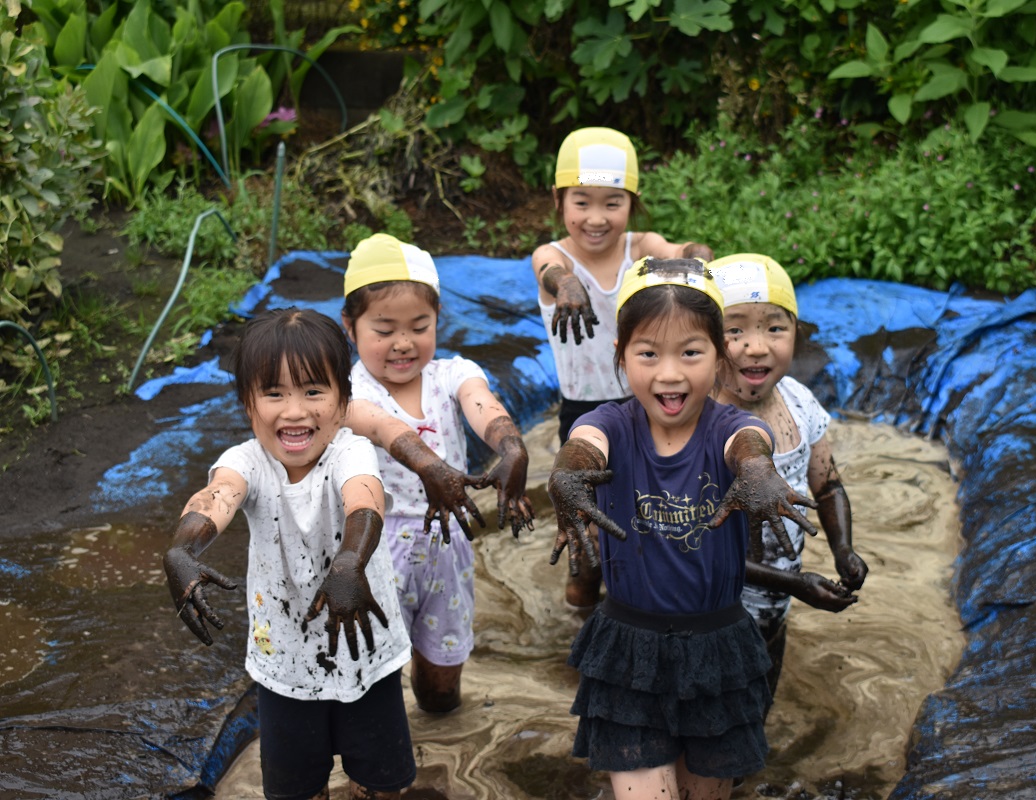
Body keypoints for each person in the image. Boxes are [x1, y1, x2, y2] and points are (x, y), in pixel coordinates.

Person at [546, 256, 816, 799]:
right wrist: (568, 476)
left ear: (719, 360)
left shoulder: (732, 426)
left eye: (691, 353)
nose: (669, 373)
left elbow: (750, 447)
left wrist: (759, 474)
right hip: (629, 649)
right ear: (622, 358)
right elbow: (582, 447)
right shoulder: (610, 424)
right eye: (648, 354)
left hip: (718, 647)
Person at [162, 308, 415, 800]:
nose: (295, 411)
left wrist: (349, 562)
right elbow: (218, 496)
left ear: (343, 402)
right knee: (298, 790)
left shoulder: (349, 450)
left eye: (313, 391)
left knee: (381, 784)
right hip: (285, 664)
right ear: (247, 404)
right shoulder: (247, 461)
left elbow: (364, 498)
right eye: (274, 393)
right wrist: (181, 549)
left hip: (366, 650)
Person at [341, 233, 535, 714]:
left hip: (448, 547)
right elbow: (379, 427)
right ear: (351, 327)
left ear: (438, 320)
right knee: (371, 677)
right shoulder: (346, 390)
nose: (403, 343)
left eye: (419, 326)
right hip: (374, 551)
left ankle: (439, 724)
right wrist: (428, 464)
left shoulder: (452, 373)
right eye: (383, 330)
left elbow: (482, 404)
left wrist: (510, 445)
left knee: (442, 679)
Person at [531, 126, 715, 608]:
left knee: (651, 514)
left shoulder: (640, 248)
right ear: (558, 200)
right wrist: (567, 286)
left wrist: (696, 258)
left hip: (648, 405)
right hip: (584, 413)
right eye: (582, 202)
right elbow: (548, 270)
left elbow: (680, 252)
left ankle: (648, 599)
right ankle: (583, 606)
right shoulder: (555, 257)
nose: (596, 218)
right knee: (585, 526)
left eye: (612, 203)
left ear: (633, 201)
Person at [710, 252, 869, 699]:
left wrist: (843, 549)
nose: (756, 346)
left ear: (796, 334)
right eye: (734, 329)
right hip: (714, 615)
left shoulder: (799, 402)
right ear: (703, 336)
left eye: (774, 328)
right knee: (719, 723)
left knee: (760, 705)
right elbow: (702, 548)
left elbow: (829, 483)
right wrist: (798, 585)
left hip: (776, 606)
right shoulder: (700, 423)